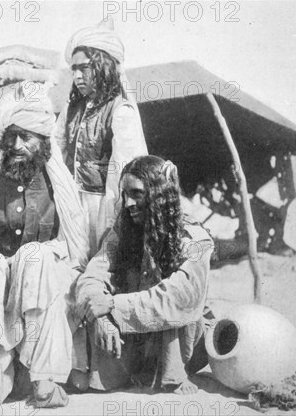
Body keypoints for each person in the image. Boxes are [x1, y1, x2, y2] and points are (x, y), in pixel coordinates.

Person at [0, 84, 89, 412]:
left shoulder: (59, 189)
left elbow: (74, 248)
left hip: (46, 286)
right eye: (12, 138)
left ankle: (45, 378)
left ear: (43, 143)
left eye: (27, 137)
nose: (18, 145)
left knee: (36, 255)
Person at [73, 155, 214, 394]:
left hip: (177, 338)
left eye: (137, 194)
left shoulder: (195, 239)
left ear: (159, 195)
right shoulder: (123, 229)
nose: (128, 203)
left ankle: (172, 375)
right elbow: (92, 276)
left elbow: (176, 299)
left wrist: (111, 306)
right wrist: (102, 318)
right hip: (132, 333)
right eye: (125, 194)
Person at [53, 18, 148, 255]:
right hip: (71, 203)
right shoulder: (71, 109)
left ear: (102, 66)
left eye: (83, 68)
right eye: (73, 69)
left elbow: (126, 168)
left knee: (102, 262)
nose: (77, 76)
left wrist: (113, 214)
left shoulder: (120, 110)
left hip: (103, 205)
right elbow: (54, 148)